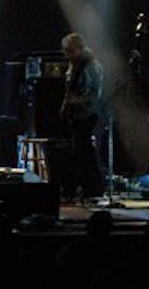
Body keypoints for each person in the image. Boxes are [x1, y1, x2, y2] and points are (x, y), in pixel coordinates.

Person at [58, 32, 105, 202]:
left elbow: (94, 95)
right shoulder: (74, 66)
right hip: (77, 114)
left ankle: (94, 187)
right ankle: (85, 187)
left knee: (84, 150)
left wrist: (77, 101)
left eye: (70, 51)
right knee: (80, 151)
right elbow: (69, 89)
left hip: (88, 113)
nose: (67, 55)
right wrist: (66, 104)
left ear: (79, 48)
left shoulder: (91, 66)